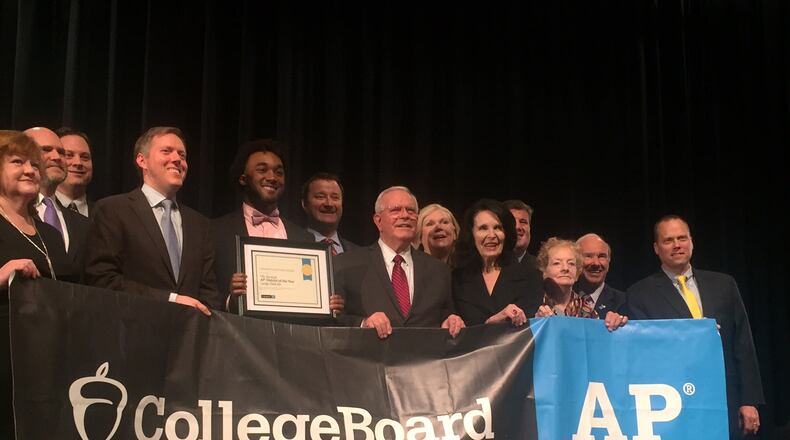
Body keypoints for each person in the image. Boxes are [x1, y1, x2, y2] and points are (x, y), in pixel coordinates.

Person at [626, 215, 763, 438]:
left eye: (682, 238)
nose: (677, 245)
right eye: (668, 240)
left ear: (692, 241)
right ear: (656, 248)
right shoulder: (639, 294)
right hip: (672, 404)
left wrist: (749, 400)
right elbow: (643, 356)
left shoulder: (724, 285)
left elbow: (743, 345)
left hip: (724, 398)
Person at [84, 126, 221, 315]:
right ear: (142, 160)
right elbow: (102, 279)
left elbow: (209, 293)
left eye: (182, 155)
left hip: (189, 338)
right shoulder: (113, 210)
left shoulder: (200, 225)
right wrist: (170, 300)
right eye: (166, 151)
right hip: (130, 332)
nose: (177, 159)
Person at [0, 130, 73, 438]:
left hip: (46, 366)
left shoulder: (51, 235)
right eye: (17, 162)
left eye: (34, 164)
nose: (30, 170)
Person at [333, 186, 465, 339]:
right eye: (396, 210)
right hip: (370, 358)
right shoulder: (347, 264)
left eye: (410, 211)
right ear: (378, 221)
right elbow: (335, 319)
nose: (405, 215)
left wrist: (451, 321)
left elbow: (446, 315)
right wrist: (363, 323)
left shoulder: (438, 270)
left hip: (425, 360)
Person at [212, 139, 316, 311]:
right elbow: (206, 294)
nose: (272, 177)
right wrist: (232, 299)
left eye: (279, 172)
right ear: (243, 178)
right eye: (262, 170)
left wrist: (325, 305)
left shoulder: (304, 238)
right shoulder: (216, 232)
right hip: (236, 334)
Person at [451, 199, 543, 326]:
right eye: (483, 228)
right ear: (472, 234)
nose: (492, 235)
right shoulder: (457, 279)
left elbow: (532, 329)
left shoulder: (531, 276)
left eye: (498, 228)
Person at [23, 127, 90, 276]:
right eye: (46, 150)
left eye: (61, 152)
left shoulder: (84, 224)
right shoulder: (11, 212)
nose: (57, 157)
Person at [535, 237, 627, 331]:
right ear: (544, 270)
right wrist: (536, 324)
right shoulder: (532, 304)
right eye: (557, 263)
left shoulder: (589, 313)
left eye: (571, 263)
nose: (565, 268)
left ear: (577, 271)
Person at [300, 172, 358, 255]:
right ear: (305, 204)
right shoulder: (290, 246)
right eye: (320, 197)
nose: (329, 204)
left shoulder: (359, 253)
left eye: (335, 197)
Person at [574, 233, 626, 317]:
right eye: (588, 256)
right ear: (575, 261)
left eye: (602, 256)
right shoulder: (561, 299)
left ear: (609, 262)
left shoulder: (624, 303)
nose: (596, 263)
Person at [55, 127, 93, 217]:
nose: (78, 163)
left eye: (84, 157)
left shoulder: (105, 214)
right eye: (68, 155)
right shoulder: (34, 211)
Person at [414, 203, 459, 267]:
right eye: (430, 224)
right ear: (420, 237)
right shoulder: (411, 271)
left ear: (455, 233)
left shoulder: (468, 270)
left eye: (445, 222)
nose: (438, 227)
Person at [503, 199, 537, 269]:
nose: (518, 227)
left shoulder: (544, 269)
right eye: (511, 221)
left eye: (523, 222)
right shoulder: (480, 267)